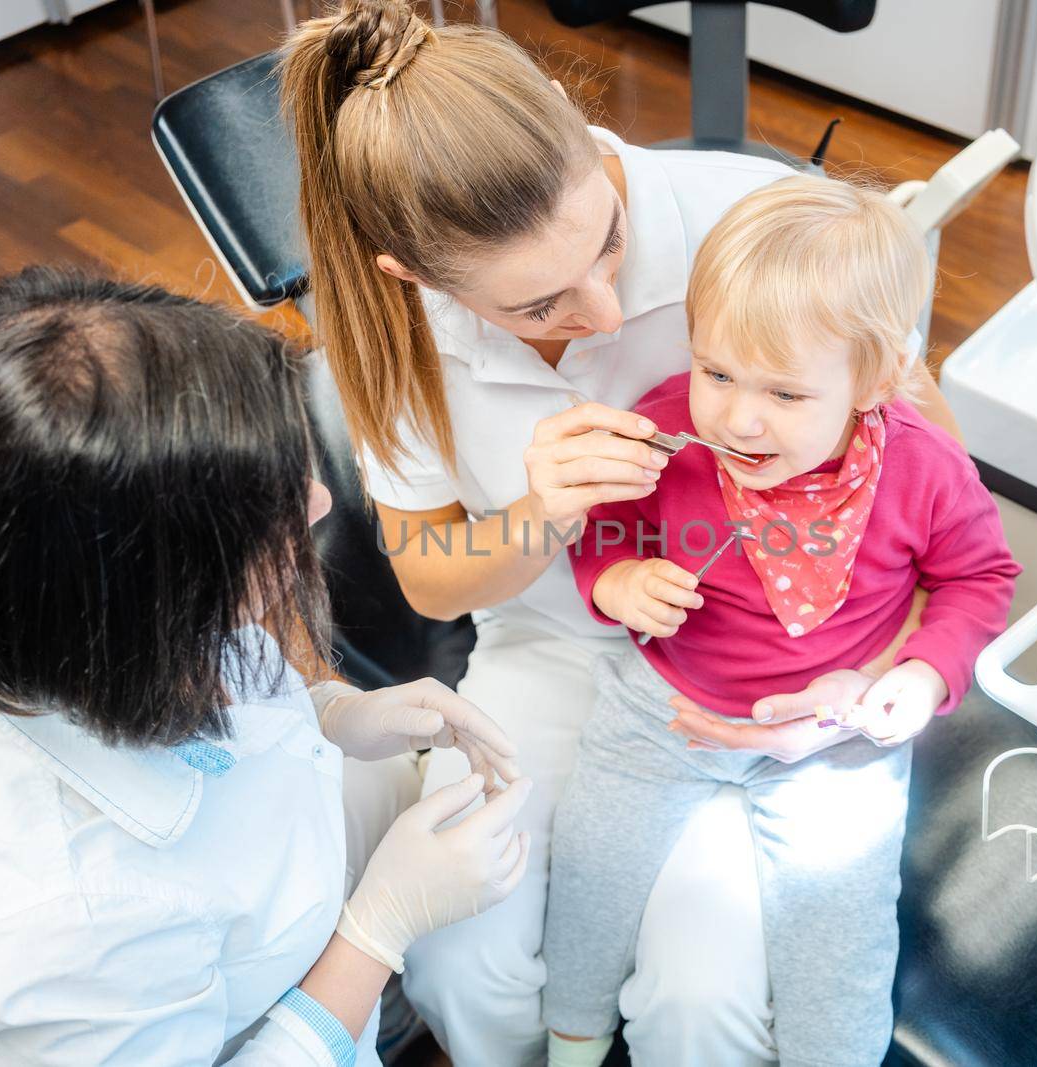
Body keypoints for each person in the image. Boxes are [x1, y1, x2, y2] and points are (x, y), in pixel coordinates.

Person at [279, 4, 966, 1062]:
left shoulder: (756, 219)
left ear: (565, 114)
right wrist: (539, 518)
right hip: (552, 648)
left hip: (765, 660)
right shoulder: (397, 342)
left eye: (607, 242)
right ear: (414, 280)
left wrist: (863, 676)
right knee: (466, 964)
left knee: (705, 1007)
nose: (603, 314)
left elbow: (931, 493)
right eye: (541, 305)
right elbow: (432, 588)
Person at [0, 268, 531, 1066]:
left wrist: (330, 712)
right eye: (269, 510)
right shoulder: (66, 934)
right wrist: (375, 932)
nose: (318, 504)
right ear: (146, 592)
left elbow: (202, 692)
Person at [540, 175, 1020, 1067]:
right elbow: (606, 528)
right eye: (716, 371)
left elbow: (980, 578)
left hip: (836, 735)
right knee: (590, 875)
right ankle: (570, 1042)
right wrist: (619, 580)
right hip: (660, 711)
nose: (736, 417)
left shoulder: (925, 469)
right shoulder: (664, 430)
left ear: (873, 380)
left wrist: (918, 676)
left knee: (838, 940)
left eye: (786, 395)